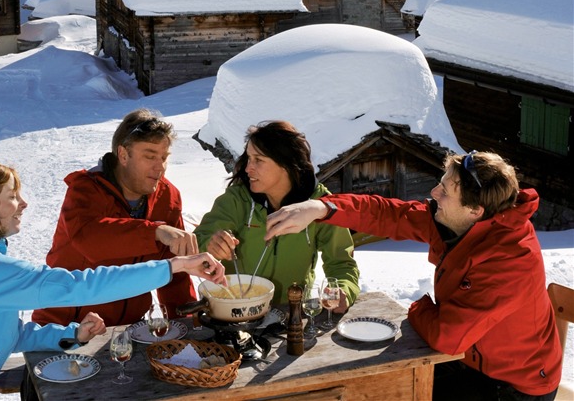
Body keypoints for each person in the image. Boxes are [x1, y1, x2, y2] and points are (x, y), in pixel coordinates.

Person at [0, 159, 225, 401]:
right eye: (12, 196)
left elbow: (5, 334)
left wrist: (71, 335)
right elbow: (78, 285)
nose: (24, 203)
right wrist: (174, 266)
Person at [264, 150, 562, 400]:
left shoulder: (509, 260)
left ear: (475, 211)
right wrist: (322, 208)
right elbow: (387, 214)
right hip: (468, 358)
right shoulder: (458, 221)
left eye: (445, 191)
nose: (434, 194)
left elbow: (447, 337)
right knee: (380, 387)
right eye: (440, 183)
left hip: (513, 385)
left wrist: (418, 308)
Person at [32, 109, 201, 328]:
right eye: (150, 156)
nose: (160, 167)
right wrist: (155, 231)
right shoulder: (85, 189)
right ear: (123, 155)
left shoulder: (168, 197)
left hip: (127, 329)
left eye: (164, 157)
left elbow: (174, 272)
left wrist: (186, 325)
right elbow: (90, 240)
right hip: (63, 327)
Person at [195, 121, 359, 308]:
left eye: (258, 160)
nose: (248, 168)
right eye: (248, 158)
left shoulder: (318, 206)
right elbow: (198, 241)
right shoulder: (236, 200)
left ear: (286, 164)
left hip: (291, 311)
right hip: (236, 309)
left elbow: (341, 263)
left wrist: (343, 290)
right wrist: (210, 244)